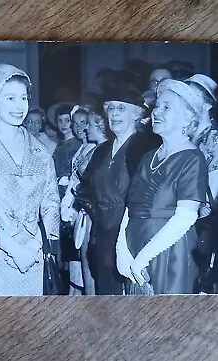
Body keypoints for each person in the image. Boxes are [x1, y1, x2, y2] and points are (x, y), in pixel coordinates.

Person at [0, 64, 60, 296]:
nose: (19, 106)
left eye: (23, 98)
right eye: (10, 98)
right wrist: (13, 249)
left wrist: (35, 245)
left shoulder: (40, 150)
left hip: (34, 255)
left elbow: (51, 202)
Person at [116, 79, 209, 294]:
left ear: (188, 118)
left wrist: (143, 258)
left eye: (167, 107)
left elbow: (185, 218)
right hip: (134, 249)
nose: (157, 111)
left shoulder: (193, 159)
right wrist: (122, 251)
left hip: (170, 252)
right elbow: (130, 208)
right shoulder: (147, 156)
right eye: (158, 105)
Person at [76, 80, 157, 295]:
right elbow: (86, 190)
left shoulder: (146, 147)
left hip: (131, 237)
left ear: (136, 114)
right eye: (110, 108)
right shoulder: (102, 151)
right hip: (102, 235)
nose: (114, 113)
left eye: (121, 108)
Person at [184, 74, 218, 293]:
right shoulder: (186, 135)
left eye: (193, 96)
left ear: (208, 104)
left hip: (199, 223)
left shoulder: (214, 139)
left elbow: (213, 190)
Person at [60, 105, 96, 295]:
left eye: (84, 122)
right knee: (75, 269)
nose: (79, 127)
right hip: (75, 210)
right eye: (76, 123)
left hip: (84, 211)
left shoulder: (95, 147)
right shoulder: (82, 146)